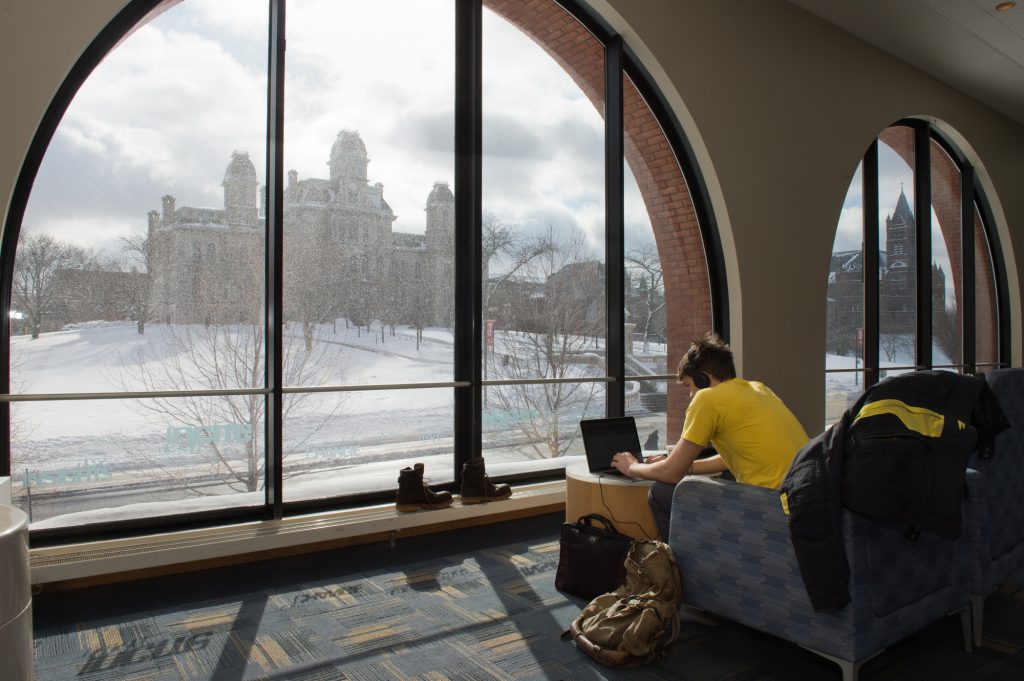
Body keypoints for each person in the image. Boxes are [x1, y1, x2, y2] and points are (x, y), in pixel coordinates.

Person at [611, 332, 809, 540]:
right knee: (724, 477)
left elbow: (671, 474)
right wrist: (687, 466)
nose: (690, 395)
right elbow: (735, 456)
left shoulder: (707, 398)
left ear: (702, 379)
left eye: (689, 386)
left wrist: (631, 466)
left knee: (661, 493)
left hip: (773, 506)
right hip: (803, 499)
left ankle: (680, 568)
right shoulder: (759, 389)